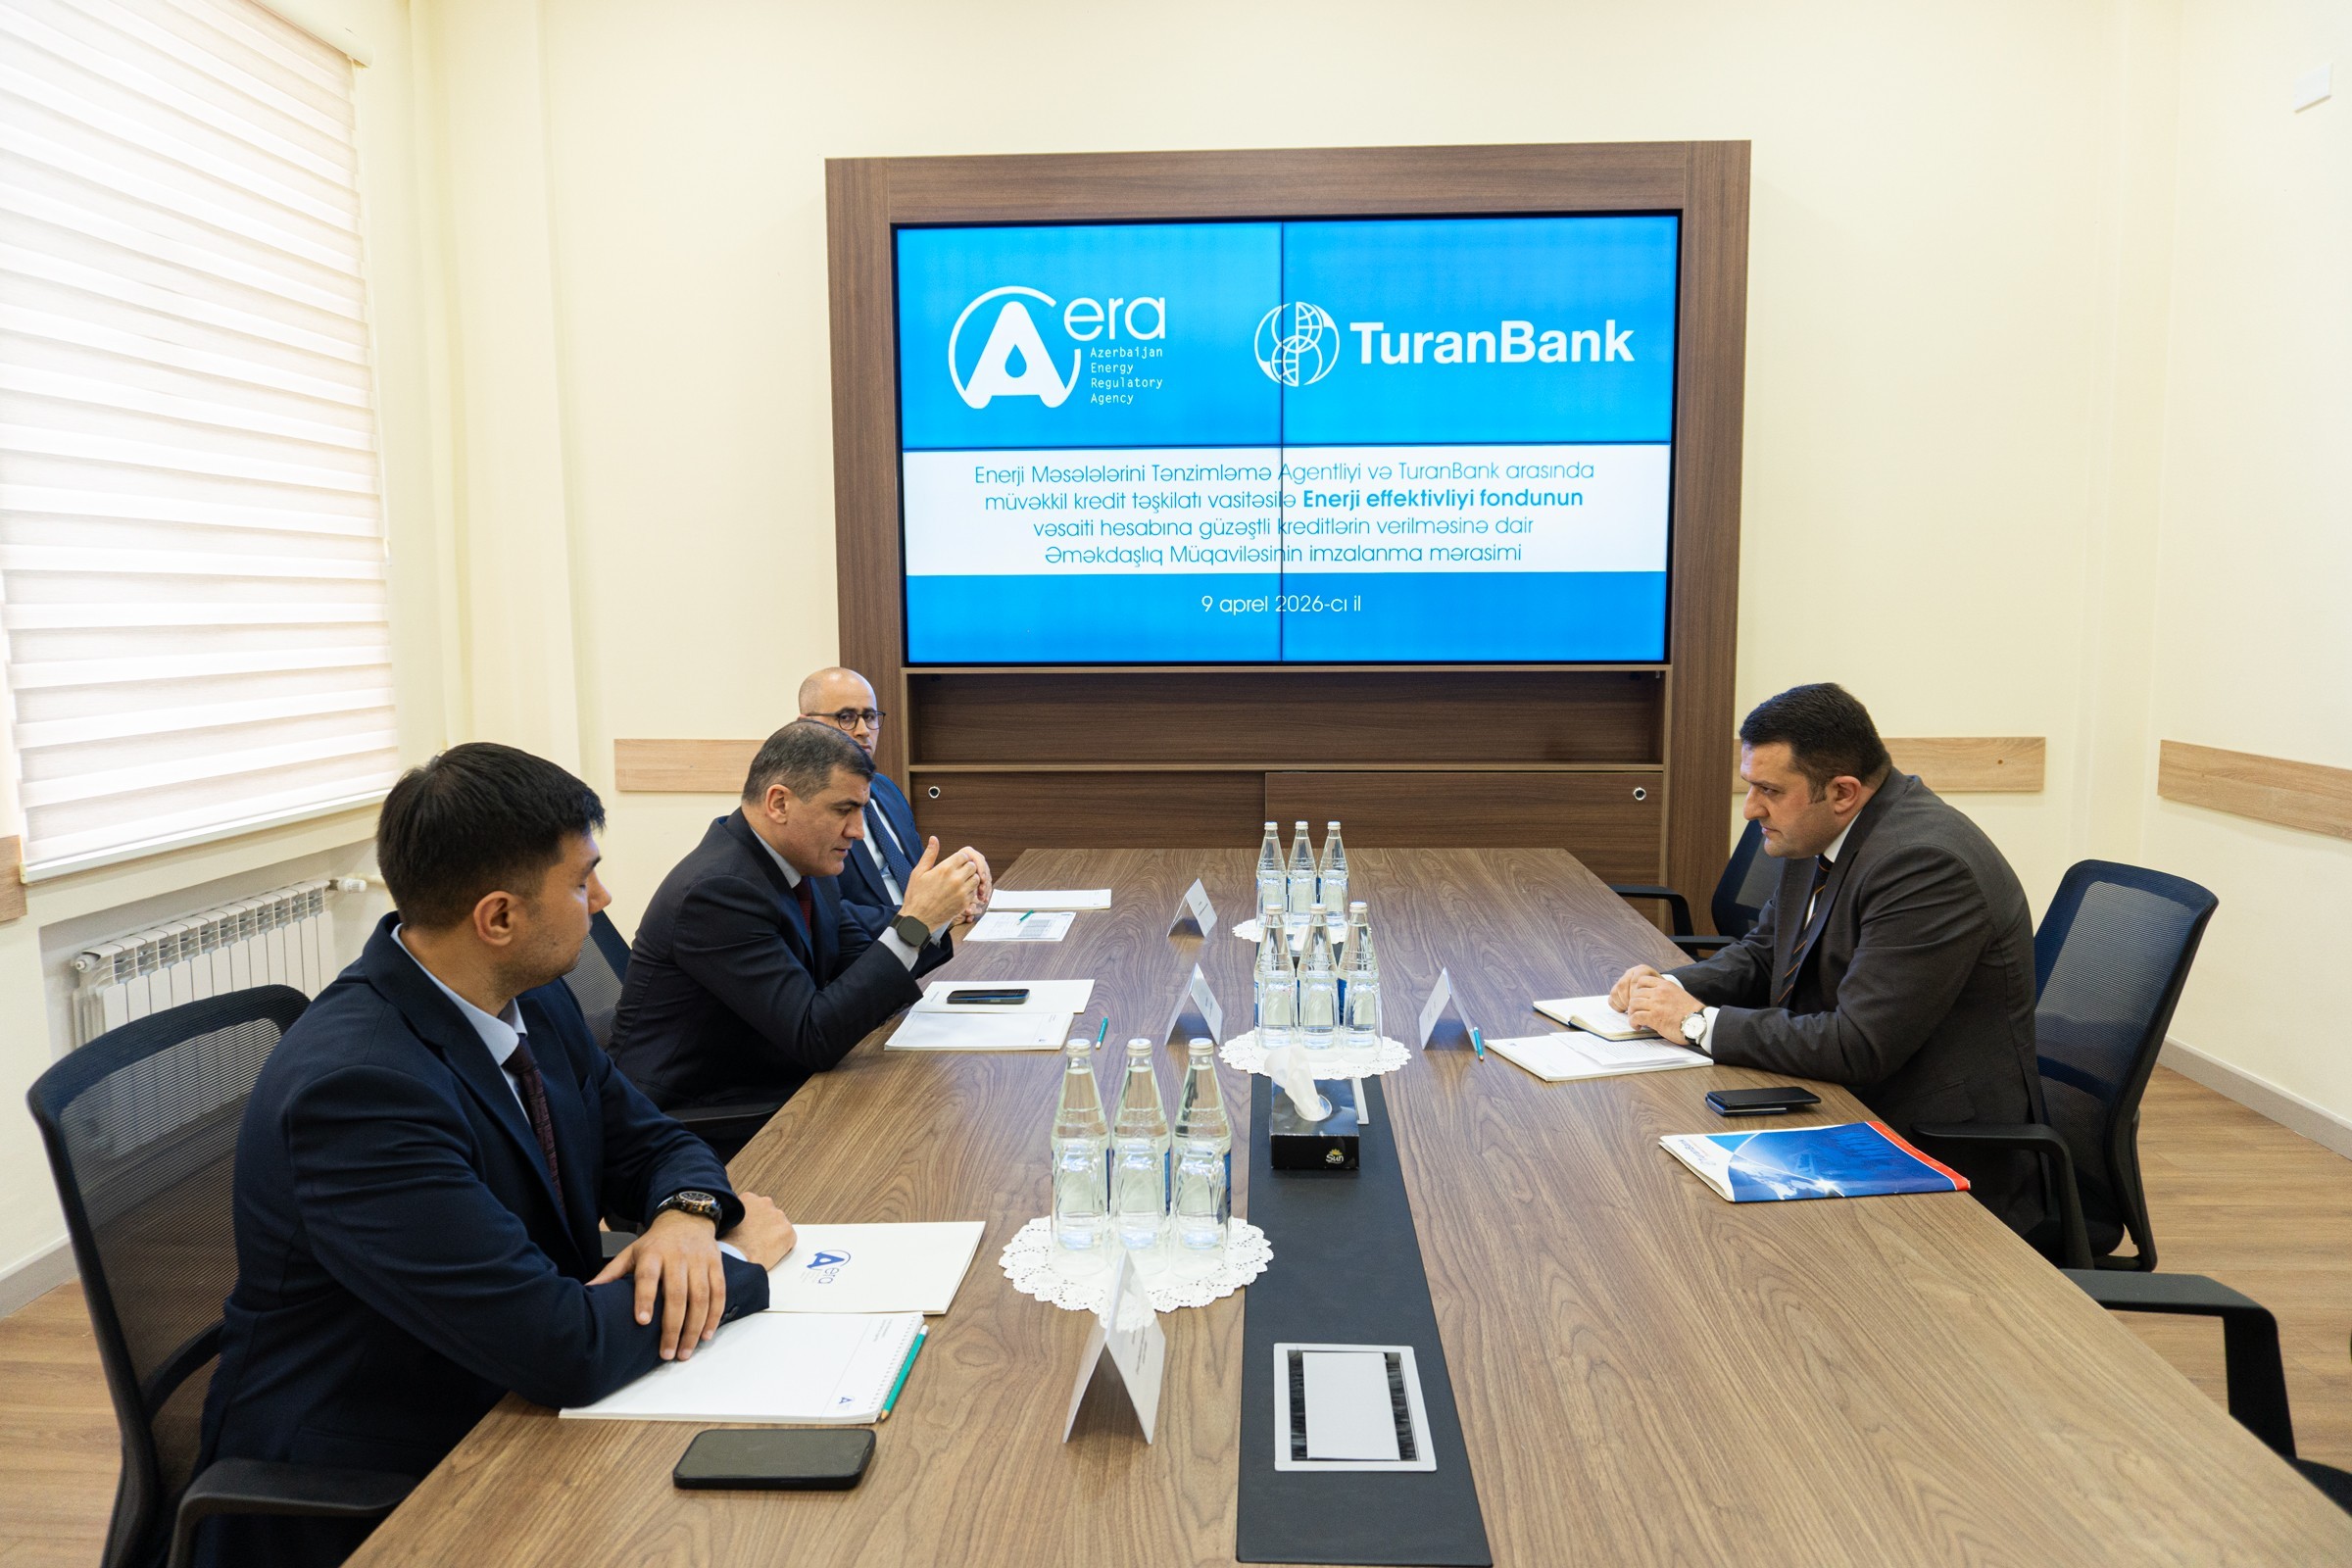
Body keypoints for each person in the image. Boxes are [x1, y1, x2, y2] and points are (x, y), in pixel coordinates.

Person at [196, 745, 798, 1568]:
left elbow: (652, 1140)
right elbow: (560, 1347)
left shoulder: (528, 999)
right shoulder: (360, 1093)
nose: (603, 899)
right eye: (582, 881)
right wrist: (737, 1261)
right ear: (499, 918)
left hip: (508, 1387)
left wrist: (688, 1220)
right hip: (387, 1476)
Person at [1609, 683, 2045, 1227]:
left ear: (1842, 792)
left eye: (1769, 790)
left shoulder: (1925, 865)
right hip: (1841, 1101)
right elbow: (1766, 954)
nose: (1750, 809)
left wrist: (1697, 1024)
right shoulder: (1822, 831)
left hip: (1928, 1146)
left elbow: (1858, 1045)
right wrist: (1669, 990)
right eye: (1750, 786)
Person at [609, 720, 984, 1134]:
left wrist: (939, 913)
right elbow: (813, 1035)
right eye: (843, 810)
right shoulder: (717, 893)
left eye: (861, 810)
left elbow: (855, 962)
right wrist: (915, 921)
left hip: (775, 1079)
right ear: (779, 803)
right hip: (696, 1120)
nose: (858, 831)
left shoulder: (805, 862)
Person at [797, 664, 991, 932]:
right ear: (806, 726)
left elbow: (914, 881)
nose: (863, 730)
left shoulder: (886, 790)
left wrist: (960, 876)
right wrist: (924, 919)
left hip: (927, 940)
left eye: (870, 716)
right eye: (846, 717)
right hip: (874, 948)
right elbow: (829, 917)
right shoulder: (803, 810)